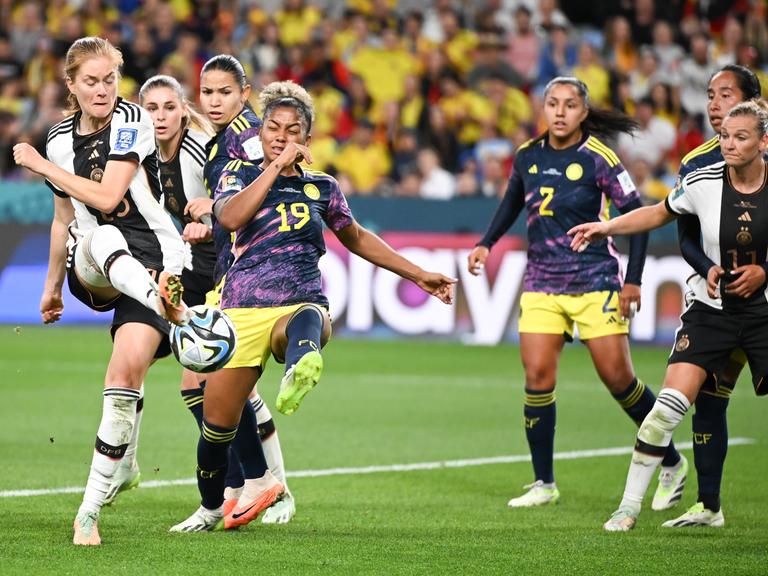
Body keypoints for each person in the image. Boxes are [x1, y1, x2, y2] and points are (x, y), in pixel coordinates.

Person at [171, 80, 456, 532]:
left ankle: (301, 364)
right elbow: (229, 217)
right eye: (274, 128)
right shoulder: (237, 174)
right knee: (215, 428)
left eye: (293, 130)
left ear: (308, 138)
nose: (282, 137)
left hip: (297, 302)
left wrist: (418, 274)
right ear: (261, 132)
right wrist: (274, 168)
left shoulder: (323, 188)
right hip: (240, 311)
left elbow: (357, 238)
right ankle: (211, 507)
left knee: (311, 319)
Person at [467, 76, 687, 509]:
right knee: (537, 380)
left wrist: (633, 280)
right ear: (543, 109)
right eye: (553, 103)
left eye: (570, 105)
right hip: (542, 283)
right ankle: (543, 483)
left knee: (619, 381)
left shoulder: (599, 158)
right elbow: (513, 201)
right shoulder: (527, 155)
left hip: (594, 281)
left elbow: (638, 216)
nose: (560, 111)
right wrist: (486, 242)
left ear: (584, 112)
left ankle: (672, 460)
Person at [12, 37, 189, 546]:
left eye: (110, 79)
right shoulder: (60, 139)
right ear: (71, 85)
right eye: (91, 80)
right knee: (100, 234)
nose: (103, 89)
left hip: (155, 262)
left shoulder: (133, 122)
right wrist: (50, 288)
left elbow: (111, 193)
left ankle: (90, 509)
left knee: (125, 370)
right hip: (92, 264)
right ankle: (178, 316)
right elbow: (64, 214)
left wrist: (42, 167)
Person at [568, 99, 768, 531]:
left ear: (763, 141)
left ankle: (707, 506)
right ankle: (627, 507)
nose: (729, 145)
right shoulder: (702, 181)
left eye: (741, 137)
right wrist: (605, 227)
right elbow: (657, 213)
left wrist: (764, 272)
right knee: (666, 409)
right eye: (726, 137)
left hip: (764, 313)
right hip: (711, 311)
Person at [140, 68, 295, 525]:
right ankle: (245, 485)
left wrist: (213, 217)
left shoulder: (241, 139)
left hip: (241, 273)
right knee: (206, 384)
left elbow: (269, 194)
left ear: (244, 94)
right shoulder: (217, 142)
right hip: (217, 267)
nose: (214, 101)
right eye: (207, 92)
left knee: (210, 381)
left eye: (224, 92)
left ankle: (255, 483)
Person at [667, 64, 762, 528]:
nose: (713, 104)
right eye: (709, 95)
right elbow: (684, 237)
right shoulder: (695, 163)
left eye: (725, 94)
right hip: (720, 301)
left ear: (752, 103)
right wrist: (708, 270)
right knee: (709, 397)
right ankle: (708, 504)